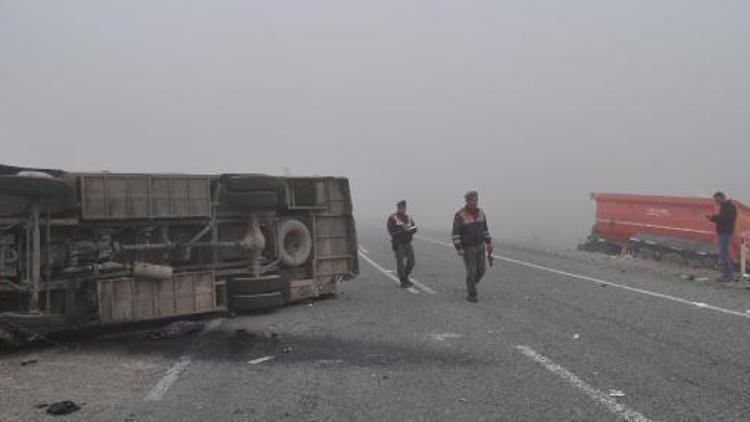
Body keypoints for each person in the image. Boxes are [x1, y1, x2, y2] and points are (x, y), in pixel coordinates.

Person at [452, 191, 492, 302]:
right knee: (472, 271)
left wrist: (488, 242)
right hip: (468, 248)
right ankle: (472, 294)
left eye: (476, 200)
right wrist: (459, 247)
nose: (475, 202)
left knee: (482, 270)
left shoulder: (481, 213)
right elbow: (455, 233)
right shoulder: (460, 215)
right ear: (467, 201)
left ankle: (471, 284)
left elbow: (485, 229)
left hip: (480, 246)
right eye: (472, 200)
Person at [707, 192, 738, 282]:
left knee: (724, 254)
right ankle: (727, 275)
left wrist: (713, 218)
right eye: (715, 200)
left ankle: (728, 276)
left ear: (722, 198)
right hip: (724, 233)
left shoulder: (728, 207)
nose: (716, 202)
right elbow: (723, 219)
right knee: (724, 254)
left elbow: (724, 220)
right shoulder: (726, 207)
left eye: (717, 199)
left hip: (725, 233)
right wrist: (713, 218)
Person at [387, 200, 417, 288]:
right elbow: (391, 230)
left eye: (404, 207)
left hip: (408, 242)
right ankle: (403, 281)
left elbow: (415, 228)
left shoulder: (408, 217)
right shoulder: (393, 218)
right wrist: (401, 230)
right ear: (398, 208)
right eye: (401, 208)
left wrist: (409, 230)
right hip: (398, 243)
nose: (403, 209)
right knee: (400, 263)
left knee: (412, 262)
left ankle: (406, 277)